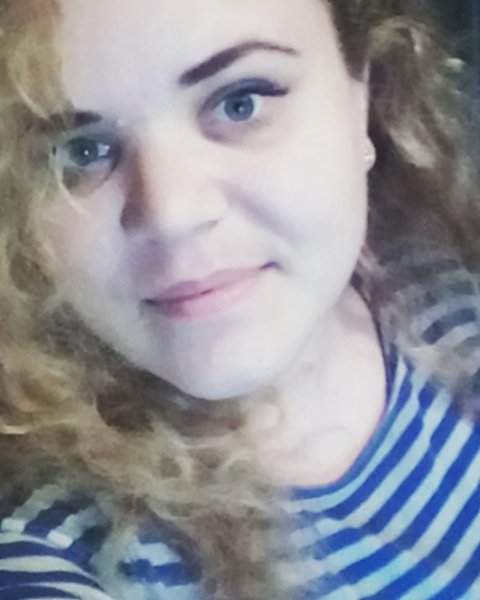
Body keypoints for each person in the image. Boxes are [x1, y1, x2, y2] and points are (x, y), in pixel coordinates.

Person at [0, 0, 479, 598]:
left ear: (363, 95)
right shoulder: (66, 552)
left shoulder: (443, 268)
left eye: (240, 102)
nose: (172, 213)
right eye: (80, 151)